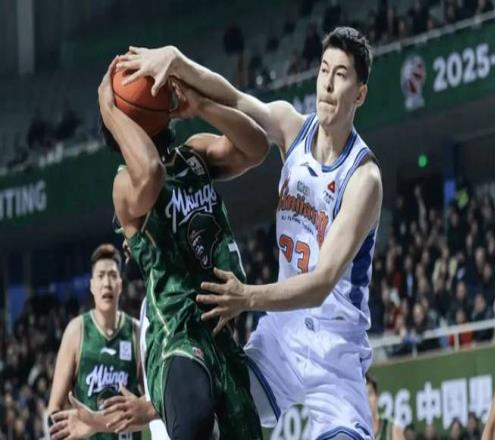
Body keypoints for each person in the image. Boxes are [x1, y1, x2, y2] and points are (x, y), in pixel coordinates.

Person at [117, 26, 382, 439]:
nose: (328, 85)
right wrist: (180, 65)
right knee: (210, 417)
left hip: (334, 352)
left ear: (360, 94)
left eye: (341, 75)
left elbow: (321, 283)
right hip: (280, 339)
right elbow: (236, 98)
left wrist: (247, 297)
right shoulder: (293, 128)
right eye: (324, 70)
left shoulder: (364, 179)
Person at [99, 58, 268, 439]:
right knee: (193, 423)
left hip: (222, 337)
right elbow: (151, 173)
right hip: (176, 336)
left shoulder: (194, 155)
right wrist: (110, 109)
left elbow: (257, 147)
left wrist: (202, 106)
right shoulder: (125, 185)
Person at [47, 244, 143, 439]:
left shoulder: (136, 331)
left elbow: (152, 404)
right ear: (91, 285)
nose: (107, 283)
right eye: (100, 276)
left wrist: (95, 423)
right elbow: (53, 412)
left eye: (112, 275)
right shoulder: (76, 331)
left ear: (120, 284)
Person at [366, 374, 404, 440]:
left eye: (370, 393)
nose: (367, 399)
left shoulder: (392, 428)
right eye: (363, 394)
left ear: (377, 396)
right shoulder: (354, 431)